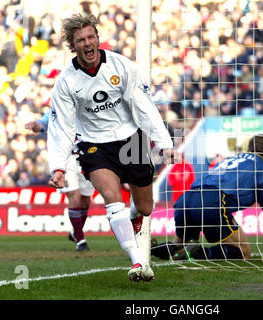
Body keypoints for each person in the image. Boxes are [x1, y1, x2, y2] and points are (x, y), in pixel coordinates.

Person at [47, 14, 174, 282]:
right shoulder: (66, 81)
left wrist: (163, 142)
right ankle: (137, 261)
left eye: (91, 37)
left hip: (133, 140)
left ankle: (133, 218)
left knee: (145, 207)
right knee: (111, 198)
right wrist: (57, 166)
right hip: (95, 145)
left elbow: (143, 106)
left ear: (97, 38)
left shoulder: (121, 65)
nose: (87, 43)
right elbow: (62, 127)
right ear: (73, 45)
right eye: (81, 40)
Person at [151, 134, 263, 263]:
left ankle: (149, 249)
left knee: (178, 246)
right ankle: (198, 252)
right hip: (212, 202)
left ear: (248, 149)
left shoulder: (230, 160)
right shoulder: (261, 173)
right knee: (243, 251)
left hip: (187, 199)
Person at [25, 111, 95, 251]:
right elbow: (42, 124)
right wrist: (35, 125)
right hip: (66, 159)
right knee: (74, 197)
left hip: (87, 157)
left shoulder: (86, 100)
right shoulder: (57, 106)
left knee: (86, 200)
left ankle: (75, 232)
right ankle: (80, 241)